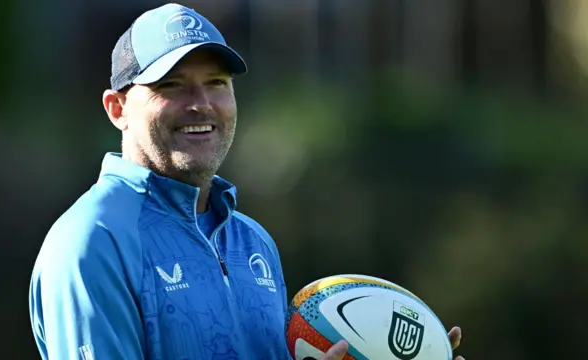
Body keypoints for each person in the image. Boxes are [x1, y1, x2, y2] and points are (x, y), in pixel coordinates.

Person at [28, 3, 465, 360]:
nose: (201, 104)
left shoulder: (252, 242)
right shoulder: (92, 242)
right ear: (117, 108)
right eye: (173, 85)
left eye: (216, 83)